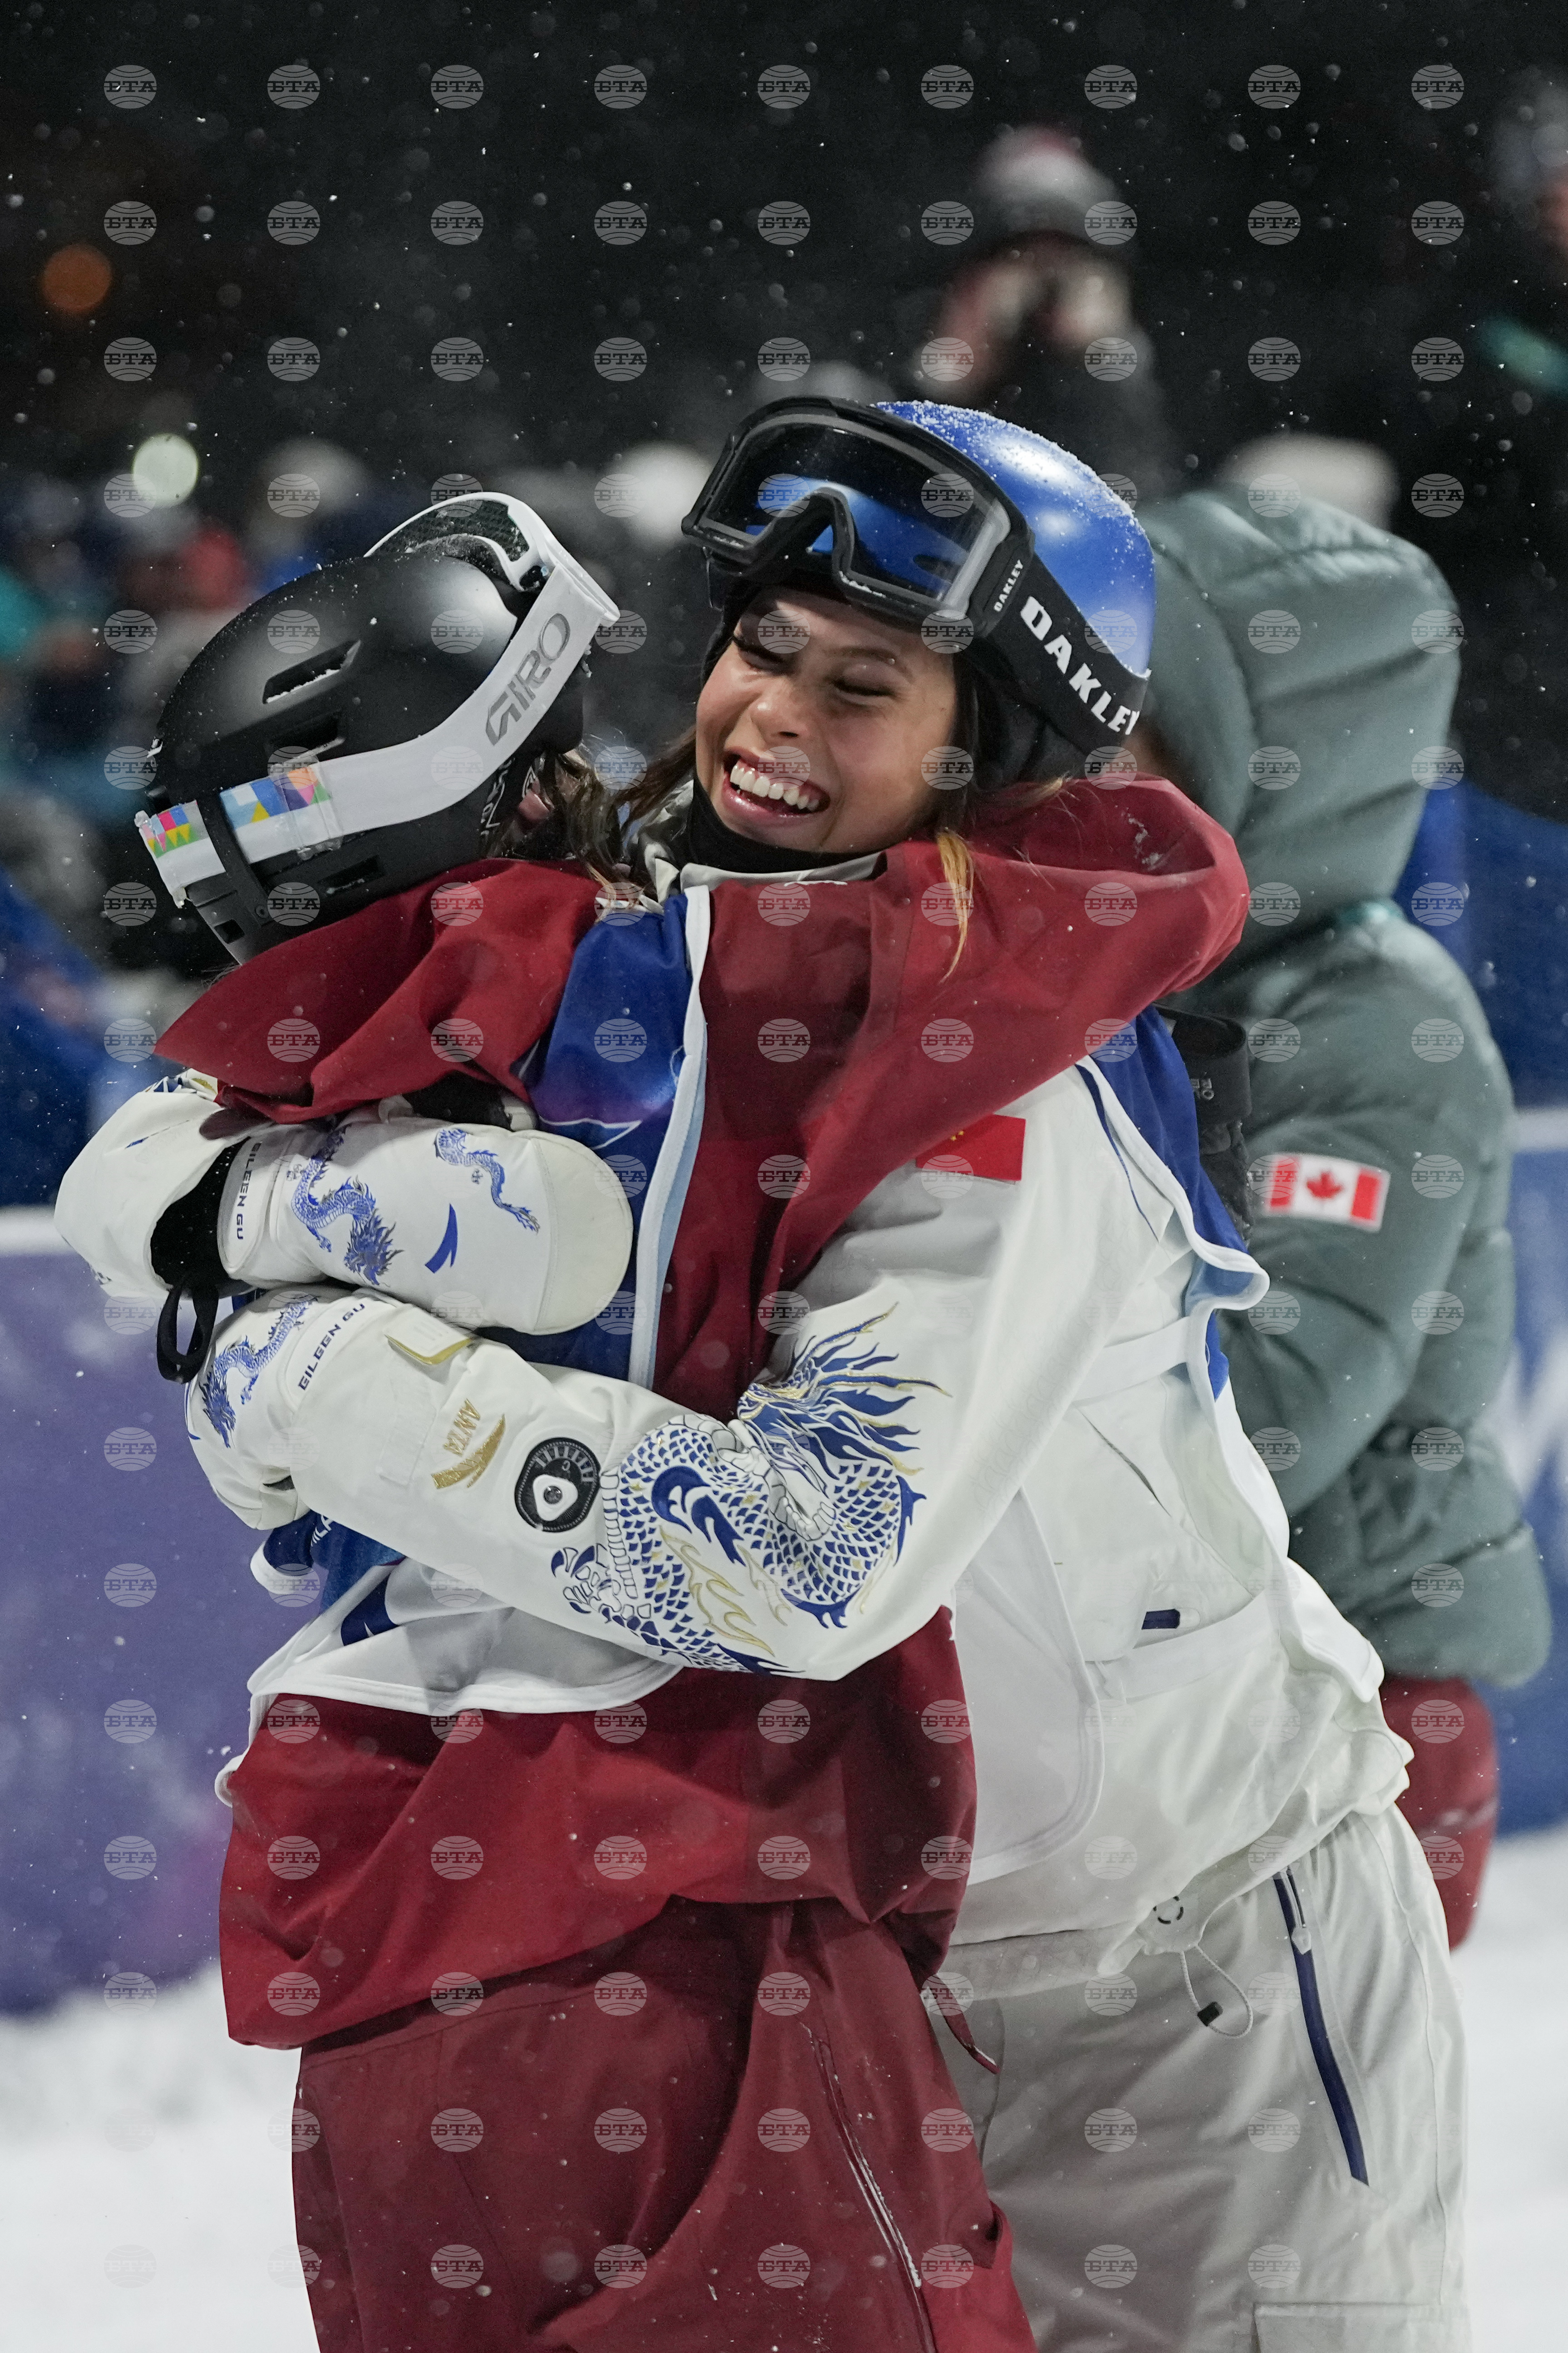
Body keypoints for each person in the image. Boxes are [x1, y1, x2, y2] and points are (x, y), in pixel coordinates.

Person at [56, 403, 1460, 2353]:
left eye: (864, 687)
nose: (775, 719)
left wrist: (320, 1381)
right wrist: (237, 1209)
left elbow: (806, 1556)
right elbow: (243, 1110)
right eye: (761, 649)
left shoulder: (1004, 1067)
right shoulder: (660, 952)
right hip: (876, 1963)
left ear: (992, 745)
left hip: (1180, 1974)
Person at [1126, 481, 1549, 1945]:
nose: (1075, 754)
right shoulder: (1130, 972)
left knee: (1299, 2101)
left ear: (1272, 764)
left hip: (1361, 1703)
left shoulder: (1377, 1029)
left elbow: (1284, 1400)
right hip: (1203, 1682)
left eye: (1138, 720)